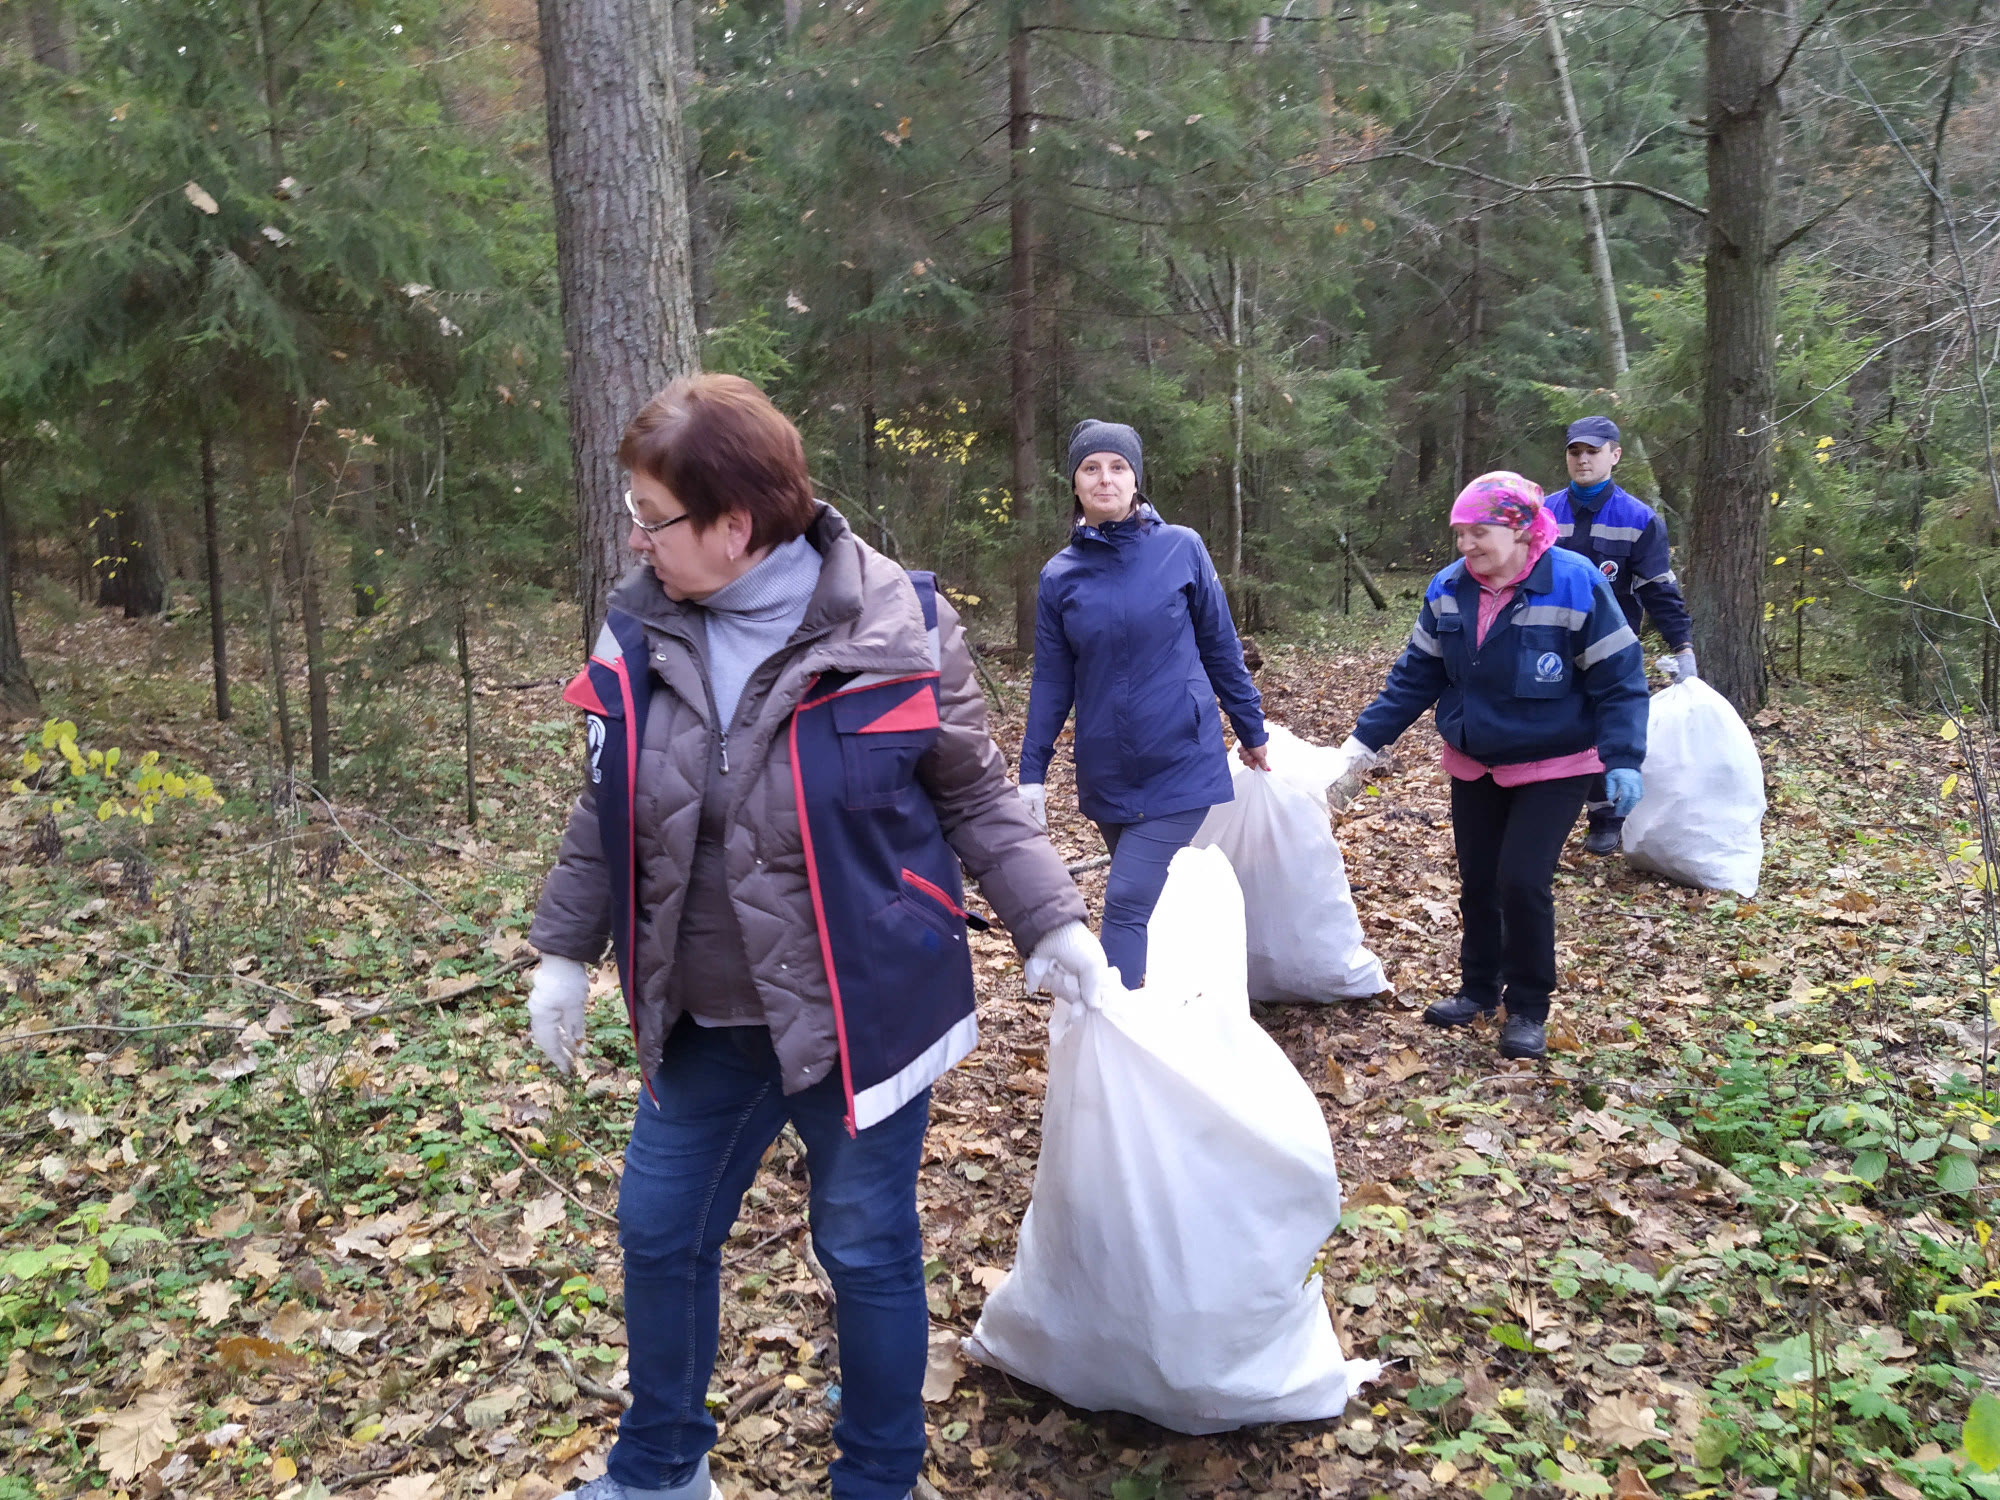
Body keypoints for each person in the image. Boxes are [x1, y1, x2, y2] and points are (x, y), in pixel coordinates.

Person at [525, 374, 1110, 1500]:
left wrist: (1051, 921)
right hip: (704, 1017)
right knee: (657, 1232)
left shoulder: (897, 626)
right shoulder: (637, 627)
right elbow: (608, 805)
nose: (636, 540)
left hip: (862, 1017)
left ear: (734, 526)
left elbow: (976, 798)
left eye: (653, 518)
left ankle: (876, 1482)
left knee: (863, 1250)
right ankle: (656, 1474)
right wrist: (563, 949)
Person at [1324, 473, 1648, 1060]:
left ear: (1522, 529)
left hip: (1555, 762)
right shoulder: (1448, 589)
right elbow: (1416, 676)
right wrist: (1361, 747)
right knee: (1478, 882)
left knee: (1521, 880)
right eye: (1460, 533)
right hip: (1475, 762)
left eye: (1479, 532)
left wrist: (1624, 758)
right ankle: (1478, 988)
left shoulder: (1574, 585)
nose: (1466, 545)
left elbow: (1620, 679)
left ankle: (1527, 1005)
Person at [1016, 419, 1269, 990]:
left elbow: (1221, 647)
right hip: (1106, 769)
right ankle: (1179, 1007)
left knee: (1126, 901)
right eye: (1091, 468)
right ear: (1075, 485)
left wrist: (1250, 730)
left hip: (1181, 758)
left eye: (1118, 467)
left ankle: (1115, 1036)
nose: (1105, 478)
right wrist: (1032, 772)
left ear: (1136, 481)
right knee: (1149, 907)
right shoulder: (1060, 577)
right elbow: (1053, 680)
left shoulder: (1181, 549)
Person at [1544, 415, 1695, 855]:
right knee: (1550, 728)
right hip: (1548, 641)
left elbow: (1658, 589)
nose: (1583, 459)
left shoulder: (1639, 519)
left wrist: (1682, 648)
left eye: (1593, 451)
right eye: (1575, 451)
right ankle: (1546, 815)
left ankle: (1605, 815)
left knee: (1606, 727)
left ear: (1615, 455)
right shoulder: (1545, 513)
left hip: (1611, 647)